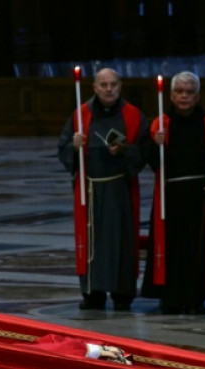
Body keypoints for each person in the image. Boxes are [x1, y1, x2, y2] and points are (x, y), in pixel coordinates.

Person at [57, 68, 148, 312]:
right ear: (95, 87)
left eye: (113, 85)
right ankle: (92, 294)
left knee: (122, 242)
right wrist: (74, 146)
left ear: (120, 87)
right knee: (91, 242)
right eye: (104, 85)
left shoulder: (132, 115)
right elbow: (62, 147)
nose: (109, 89)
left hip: (120, 189)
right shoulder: (81, 114)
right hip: (91, 190)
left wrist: (126, 150)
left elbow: (145, 150)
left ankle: (122, 294)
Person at [141, 71, 205, 314]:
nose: (184, 96)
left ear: (197, 96)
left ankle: (196, 298)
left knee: (197, 248)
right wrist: (156, 144)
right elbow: (151, 161)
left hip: (197, 194)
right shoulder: (160, 123)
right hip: (170, 194)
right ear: (171, 95)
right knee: (170, 248)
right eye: (180, 92)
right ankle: (170, 297)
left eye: (189, 92)